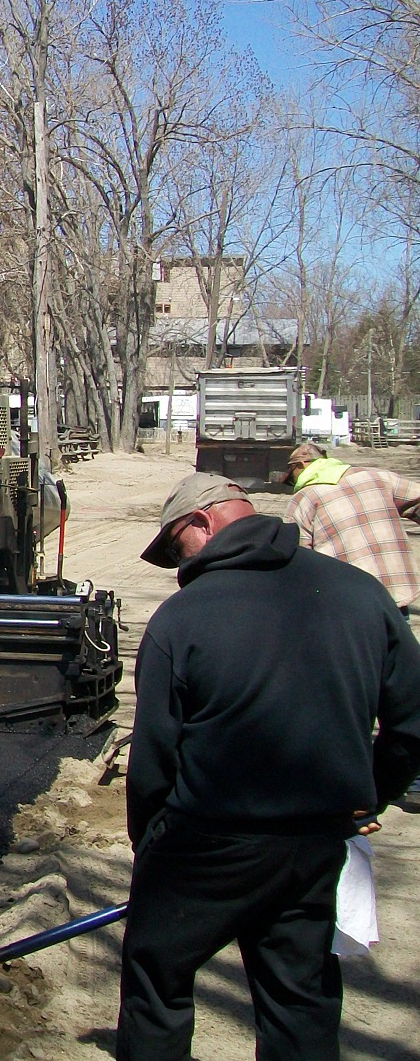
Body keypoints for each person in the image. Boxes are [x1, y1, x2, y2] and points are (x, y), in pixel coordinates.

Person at [118, 472, 420, 1061]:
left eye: (176, 545)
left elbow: (154, 757)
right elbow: (413, 722)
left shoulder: (182, 619)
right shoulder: (360, 592)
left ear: (202, 522)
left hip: (208, 839)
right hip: (315, 840)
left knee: (157, 976)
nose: (179, 563)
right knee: (298, 995)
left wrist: (150, 840)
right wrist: (367, 798)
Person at [285, 441, 420, 612]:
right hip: (395, 589)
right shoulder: (377, 477)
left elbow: (298, 555)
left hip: (347, 599)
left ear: (301, 465)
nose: (293, 482)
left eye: (291, 477)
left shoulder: (303, 499)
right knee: (396, 636)